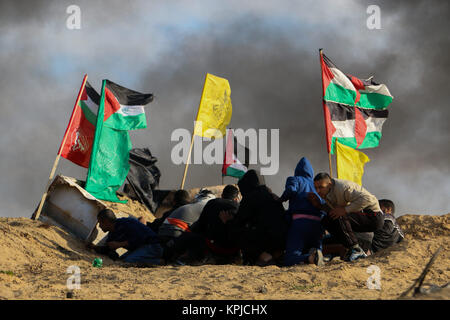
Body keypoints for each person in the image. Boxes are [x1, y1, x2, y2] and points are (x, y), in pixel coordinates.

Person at [310, 173, 384, 262]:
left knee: (340, 216)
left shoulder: (343, 187)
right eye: (316, 188)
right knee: (327, 220)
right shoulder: (327, 192)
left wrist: (345, 210)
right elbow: (333, 211)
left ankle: (356, 250)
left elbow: (368, 199)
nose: (317, 191)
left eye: (321, 187)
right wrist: (319, 206)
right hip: (358, 219)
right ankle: (349, 249)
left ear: (329, 184)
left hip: (373, 216)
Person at [168, 185, 242, 265]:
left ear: (222, 195)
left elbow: (200, 226)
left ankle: (168, 258)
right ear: (236, 199)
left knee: (188, 236)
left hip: (214, 247)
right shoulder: (239, 207)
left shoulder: (212, 203)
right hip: (233, 250)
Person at [229, 170, 288, 266]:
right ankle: (275, 255)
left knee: (236, 230)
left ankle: (262, 256)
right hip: (282, 241)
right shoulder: (272, 196)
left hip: (267, 241)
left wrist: (228, 220)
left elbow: (239, 221)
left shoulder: (251, 197)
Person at [279, 157, 326, 266]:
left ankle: (309, 258)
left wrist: (281, 199)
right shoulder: (317, 186)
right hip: (318, 225)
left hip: (300, 223)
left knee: (290, 257)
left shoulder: (295, 179)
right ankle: (317, 255)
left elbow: (291, 190)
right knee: (316, 249)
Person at [86, 209, 163, 265]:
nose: (99, 226)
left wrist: (120, 244)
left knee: (128, 261)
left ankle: (158, 262)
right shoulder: (112, 234)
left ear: (106, 222)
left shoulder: (127, 223)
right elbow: (107, 249)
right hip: (139, 249)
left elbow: (141, 238)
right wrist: (94, 247)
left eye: (100, 223)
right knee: (121, 260)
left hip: (152, 246)